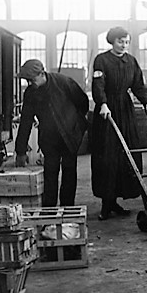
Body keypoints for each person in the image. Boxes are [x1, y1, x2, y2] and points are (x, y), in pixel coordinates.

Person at [91, 26, 147, 220]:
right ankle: (106, 203)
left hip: (125, 111)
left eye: (127, 42)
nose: (124, 45)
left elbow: (138, 85)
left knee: (127, 154)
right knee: (108, 156)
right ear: (112, 41)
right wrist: (102, 103)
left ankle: (118, 199)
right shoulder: (102, 60)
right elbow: (98, 84)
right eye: (120, 41)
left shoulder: (131, 61)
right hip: (106, 112)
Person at [15, 58, 89, 207]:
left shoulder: (64, 82)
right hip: (49, 139)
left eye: (32, 80)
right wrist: (20, 151)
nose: (30, 84)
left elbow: (83, 103)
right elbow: (26, 121)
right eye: (27, 81)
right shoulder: (30, 93)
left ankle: (67, 210)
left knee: (69, 172)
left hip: (70, 136)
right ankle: (49, 212)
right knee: (50, 173)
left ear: (42, 73)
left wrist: (77, 126)